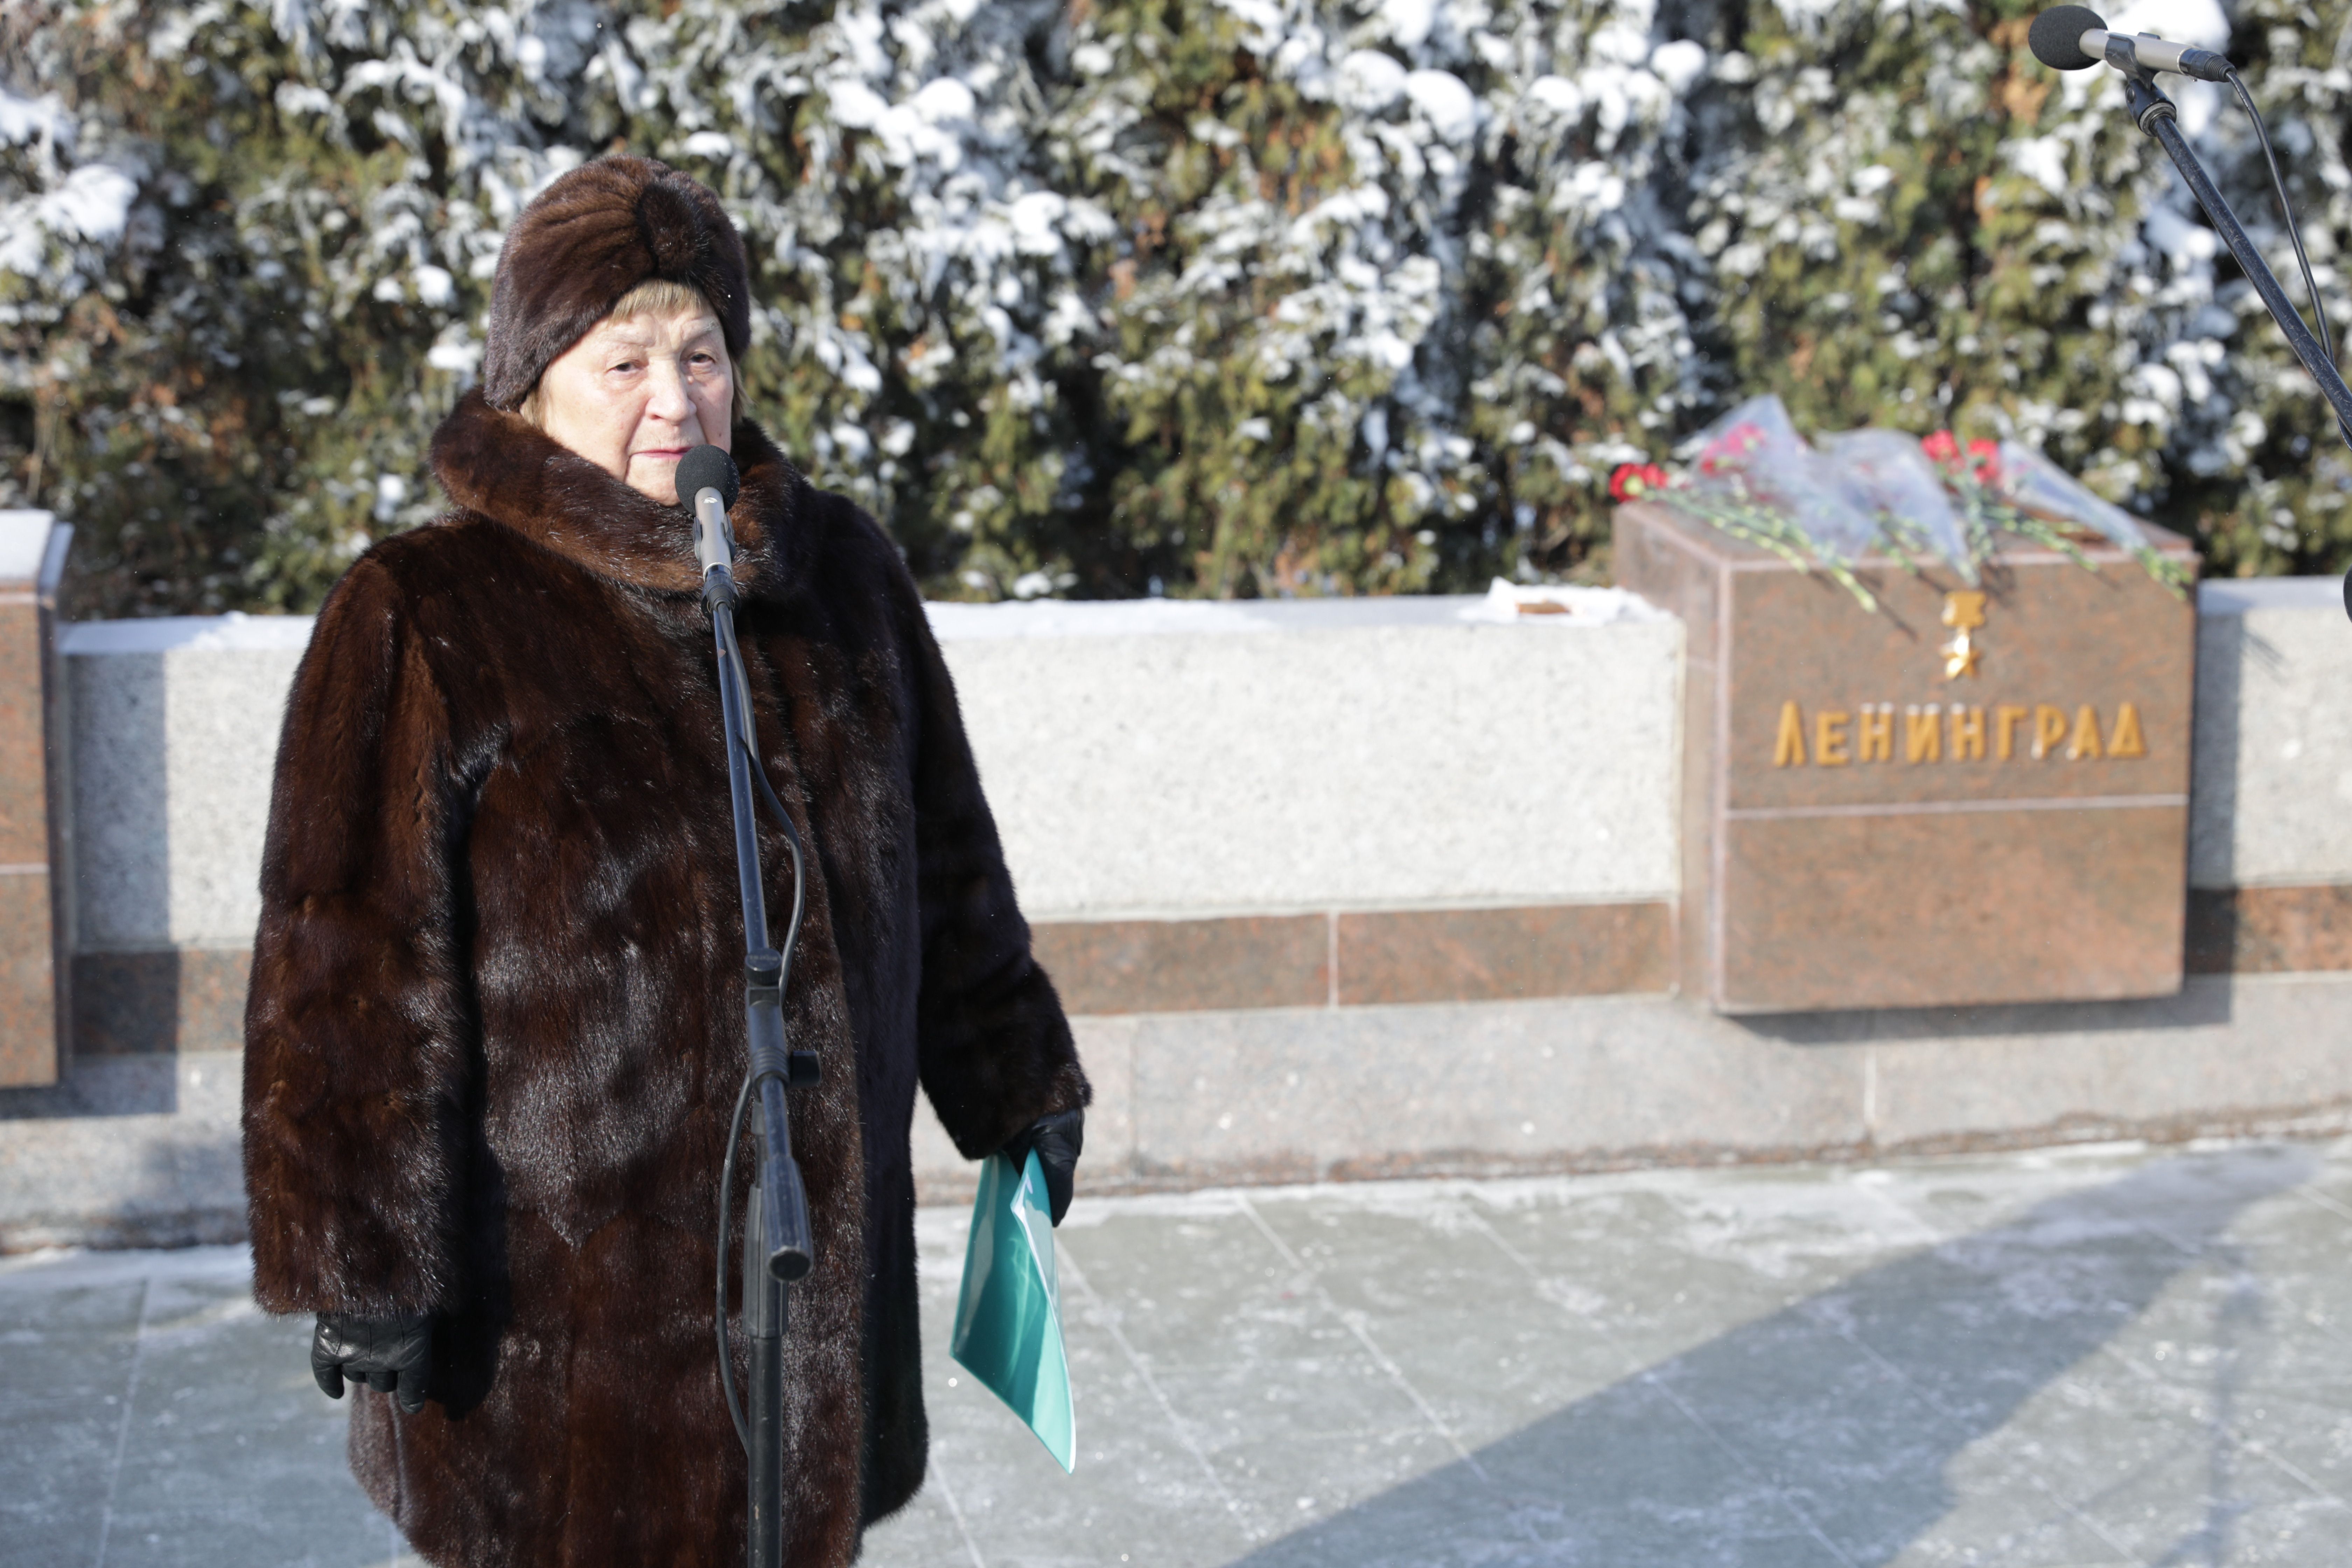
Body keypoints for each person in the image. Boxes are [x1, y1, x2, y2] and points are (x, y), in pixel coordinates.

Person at [240, 155, 1089, 1568]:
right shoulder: (423, 609)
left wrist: (1016, 1083)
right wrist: (361, 1253)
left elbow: (944, 860)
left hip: (813, 1289)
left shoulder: (840, 576)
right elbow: (344, 964)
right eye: (623, 360)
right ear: (533, 383)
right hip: (558, 1340)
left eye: (700, 354)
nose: (674, 399)